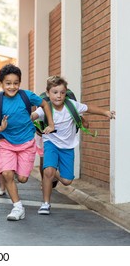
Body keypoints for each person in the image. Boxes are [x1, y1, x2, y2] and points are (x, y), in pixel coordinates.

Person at [31, 75, 116, 215]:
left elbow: (89, 108)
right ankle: (45, 203)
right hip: (51, 143)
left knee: (67, 181)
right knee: (48, 172)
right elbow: (33, 116)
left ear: (66, 93)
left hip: (67, 147)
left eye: (62, 93)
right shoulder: (45, 109)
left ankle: (54, 172)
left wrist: (105, 112)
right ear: (48, 93)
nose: (59, 96)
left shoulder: (72, 105)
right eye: (55, 92)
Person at [0, 64, 55, 221]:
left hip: (26, 143)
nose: (12, 86)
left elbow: (44, 104)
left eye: (15, 83)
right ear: (1, 84)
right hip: (6, 143)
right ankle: (18, 207)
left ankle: (15, 173)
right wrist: (0, 128)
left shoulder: (26, 96)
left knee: (23, 179)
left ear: (20, 83)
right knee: (7, 174)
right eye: (8, 83)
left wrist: (51, 124)